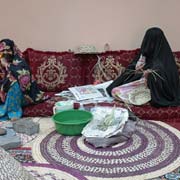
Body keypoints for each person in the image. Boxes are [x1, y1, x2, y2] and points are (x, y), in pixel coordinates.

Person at [106, 27, 180, 107]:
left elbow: (168, 79)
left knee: (119, 92)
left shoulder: (165, 57)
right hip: (140, 85)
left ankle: (145, 100)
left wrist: (149, 75)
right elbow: (131, 70)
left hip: (155, 92)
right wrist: (137, 69)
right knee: (115, 91)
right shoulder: (145, 53)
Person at [0, 39, 44, 121]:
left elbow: (24, 76)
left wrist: (6, 65)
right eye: (3, 50)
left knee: (14, 82)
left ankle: (14, 112)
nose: (5, 53)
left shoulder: (20, 61)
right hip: (4, 95)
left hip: (24, 95)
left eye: (8, 50)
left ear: (13, 50)